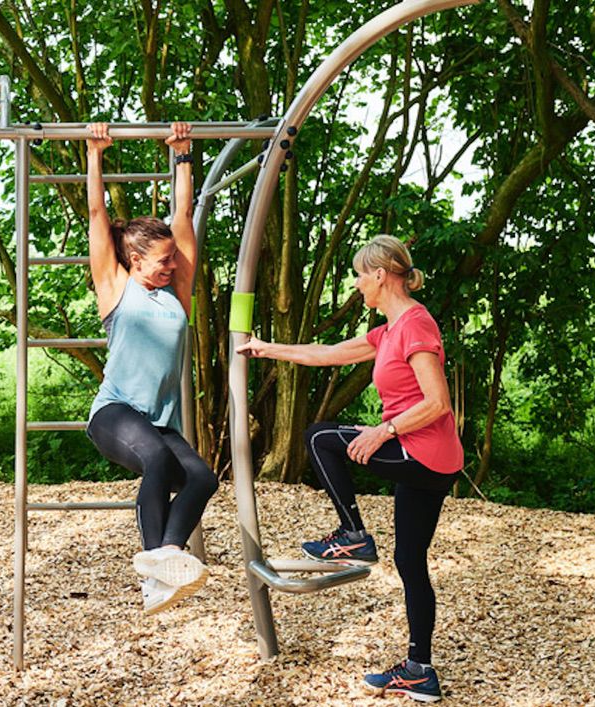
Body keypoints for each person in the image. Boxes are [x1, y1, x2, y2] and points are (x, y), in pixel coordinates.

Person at [236, 235, 462, 703]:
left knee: (320, 437)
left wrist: (383, 431)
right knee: (409, 561)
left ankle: (353, 534)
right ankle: (420, 670)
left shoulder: (416, 326)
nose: (358, 285)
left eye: (361, 275)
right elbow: (329, 351)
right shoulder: (388, 331)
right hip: (426, 457)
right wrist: (267, 348)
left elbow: (439, 403)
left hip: (422, 451)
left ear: (381, 275)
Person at [83, 122, 219, 616]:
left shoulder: (174, 295)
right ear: (134, 259)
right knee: (161, 463)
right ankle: (156, 559)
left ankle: (164, 562)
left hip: (159, 421)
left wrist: (183, 156)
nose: (171, 267)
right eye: (161, 262)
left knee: (202, 478)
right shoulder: (116, 287)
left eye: (172, 261)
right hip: (115, 413)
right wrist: (95, 153)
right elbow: (98, 213)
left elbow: (183, 214)